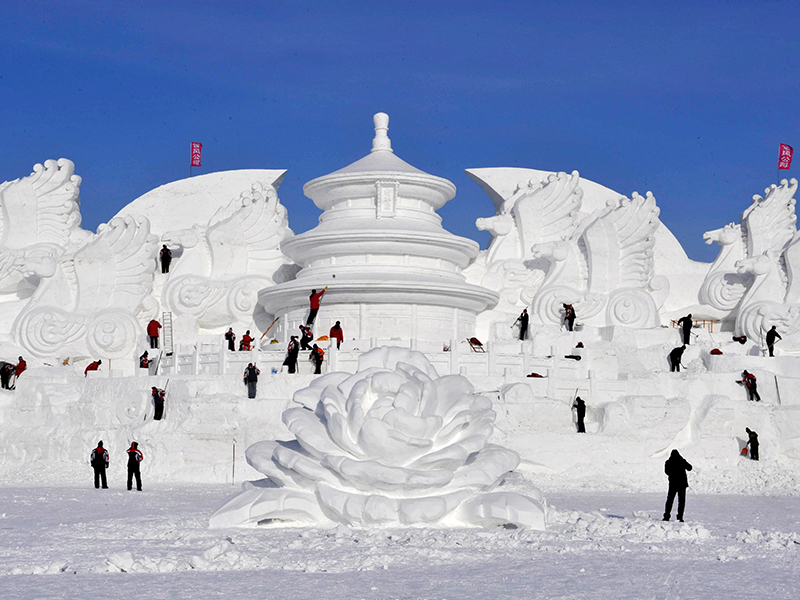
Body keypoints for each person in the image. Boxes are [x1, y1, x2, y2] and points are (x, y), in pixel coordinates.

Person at [663, 449, 692, 522]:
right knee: (681, 501)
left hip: (673, 484)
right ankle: (680, 517)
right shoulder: (682, 461)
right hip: (682, 484)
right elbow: (689, 468)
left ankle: (666, 516)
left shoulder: (668, 462)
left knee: (670, 500)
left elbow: (667, 472)